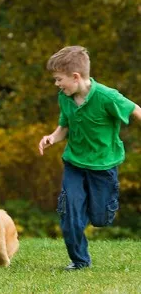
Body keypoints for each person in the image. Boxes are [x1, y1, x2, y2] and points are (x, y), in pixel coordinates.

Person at [38, 46, 141, 270]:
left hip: (104, 166)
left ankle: (90, 212)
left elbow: (136, 110)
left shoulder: (106, 97)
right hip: (74, 164)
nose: (56, 84)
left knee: (101, 218)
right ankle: (79, 261)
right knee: (68, 212)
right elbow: (64, 126)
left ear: (75, 77)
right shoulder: (64, 98)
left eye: (59, 79)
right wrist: (52, 138)